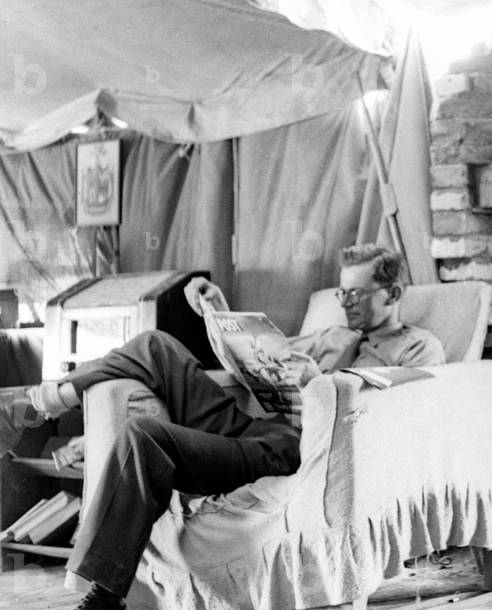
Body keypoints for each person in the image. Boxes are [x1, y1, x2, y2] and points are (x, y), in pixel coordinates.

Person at [0, 244, 443, 610]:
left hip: (303, 448)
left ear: (392, 292)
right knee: (157, 346)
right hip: (257, 426)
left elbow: (407, 411)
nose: (344, 304)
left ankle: (104, 594)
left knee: (142, 437)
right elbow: (260, 355)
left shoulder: (419, 347)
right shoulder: (331, 337)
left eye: (356, 295)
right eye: (341, 294)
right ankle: (40, 403)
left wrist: (321, 384)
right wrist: (220, 314)